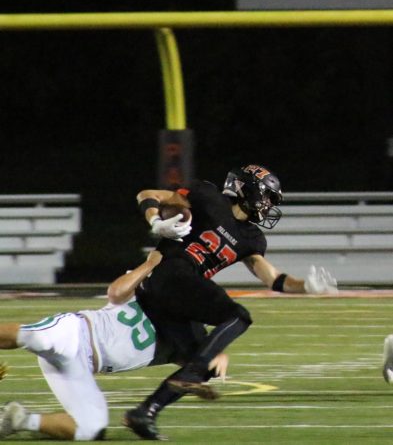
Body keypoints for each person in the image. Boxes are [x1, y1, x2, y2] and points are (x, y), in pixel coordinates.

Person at [124, 163, 338, 440]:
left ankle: (145, 412)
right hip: (169, 272)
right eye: (268, 196)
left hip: (180, 294)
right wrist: (156, 222)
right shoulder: (207, 195)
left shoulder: (251, 237)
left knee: (208, 366)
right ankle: (190, 374)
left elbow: (272, 278)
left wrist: (306, 286)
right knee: (238, 315)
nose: (269, 205)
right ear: (249, 189)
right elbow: (147, 194)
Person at [0, 250, 228, 441]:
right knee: (33, 336)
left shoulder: (191, 335)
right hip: (77, 332)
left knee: (91, 428)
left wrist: (210, 358)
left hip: (81, 366)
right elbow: (116, 292)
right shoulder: (153, 285)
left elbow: (191, 370)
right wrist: (149, 264)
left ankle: (18, 419)